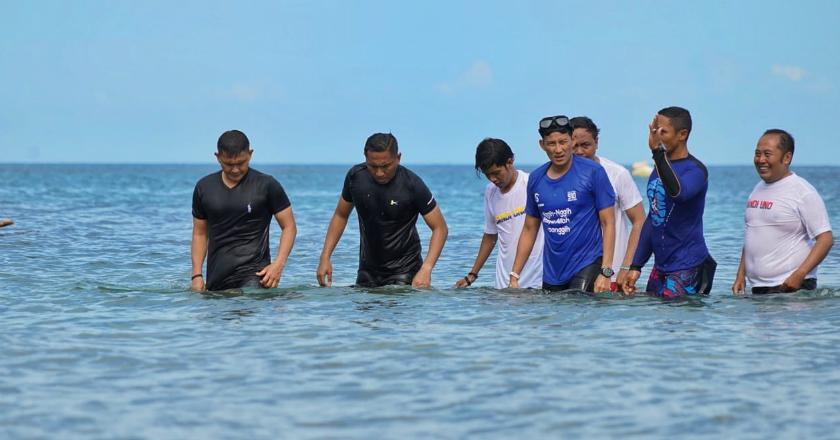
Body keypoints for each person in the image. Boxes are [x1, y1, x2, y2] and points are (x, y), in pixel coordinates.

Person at [317, 133, 448, 288]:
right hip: (367, 271)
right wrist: (325, 257)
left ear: (398, 158)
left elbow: (440, 228)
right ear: (365, 158)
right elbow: (340, 215)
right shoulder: (355, 177)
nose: (379, 173)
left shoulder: (412, 184)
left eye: (386, 166)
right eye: (373, 166)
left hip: (405, 271)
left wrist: (426, 269)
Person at [509, 115, 616, 293]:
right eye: (551, 144)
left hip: (587, 263)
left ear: (572, 140)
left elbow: (609, 223)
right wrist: (515, 275)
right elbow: (529, 228)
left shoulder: (593, 172)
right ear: (542, 145)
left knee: (578, 310)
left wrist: (606, 272)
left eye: (563, 142)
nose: (558, 149)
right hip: (552, 272)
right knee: (553, 320)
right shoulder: (536, 179)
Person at [623, 106, 716, 298]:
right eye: (655, 131)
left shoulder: (696, 170)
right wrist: (636, 265)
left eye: (663, 132)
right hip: (661, 267)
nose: (657, 136)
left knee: (677, 324)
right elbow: (654, 218)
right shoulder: (659, 169)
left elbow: (679, 193)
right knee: (654, 322)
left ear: (682, 134)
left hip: (688, 266)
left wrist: (657, 152)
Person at [191, 130, 297, 291]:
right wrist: (196, 275)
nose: (235, 169)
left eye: (241, 163)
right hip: (216, 281)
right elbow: (200, 233)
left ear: (250, 154)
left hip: (256, 280)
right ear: (217, 157)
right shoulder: (204, 187)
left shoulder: (267, 185)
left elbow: (289, 227)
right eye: (228, 164)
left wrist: (278, 265)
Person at [732, 129, 833, 294]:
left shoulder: (802, 191)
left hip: (791, 287)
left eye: (767, 154)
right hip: (758, 288)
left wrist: (799, 274)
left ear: (786, 157)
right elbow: (753, 234)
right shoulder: (757, 189)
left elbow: (825, 239)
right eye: (757, 154)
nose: (761, 160)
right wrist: (740, 275)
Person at [453, 138, 543, 289]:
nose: (493, 179)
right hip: (503, 283)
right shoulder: (490, 192)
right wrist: (472, 274)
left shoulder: (531, 184)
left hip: (536, 280)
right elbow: (490, 235)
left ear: (510, 162)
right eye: (487, 174)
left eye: (496, 173)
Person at [570, 116, 645, 292]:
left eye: (585, 145)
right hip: (572, 270)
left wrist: (626, 267)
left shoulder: (617, 174)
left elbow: (639, 221)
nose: (579, 152)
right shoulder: (560, 177)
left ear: (596, 142)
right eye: (574, 146)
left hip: (612, 272)